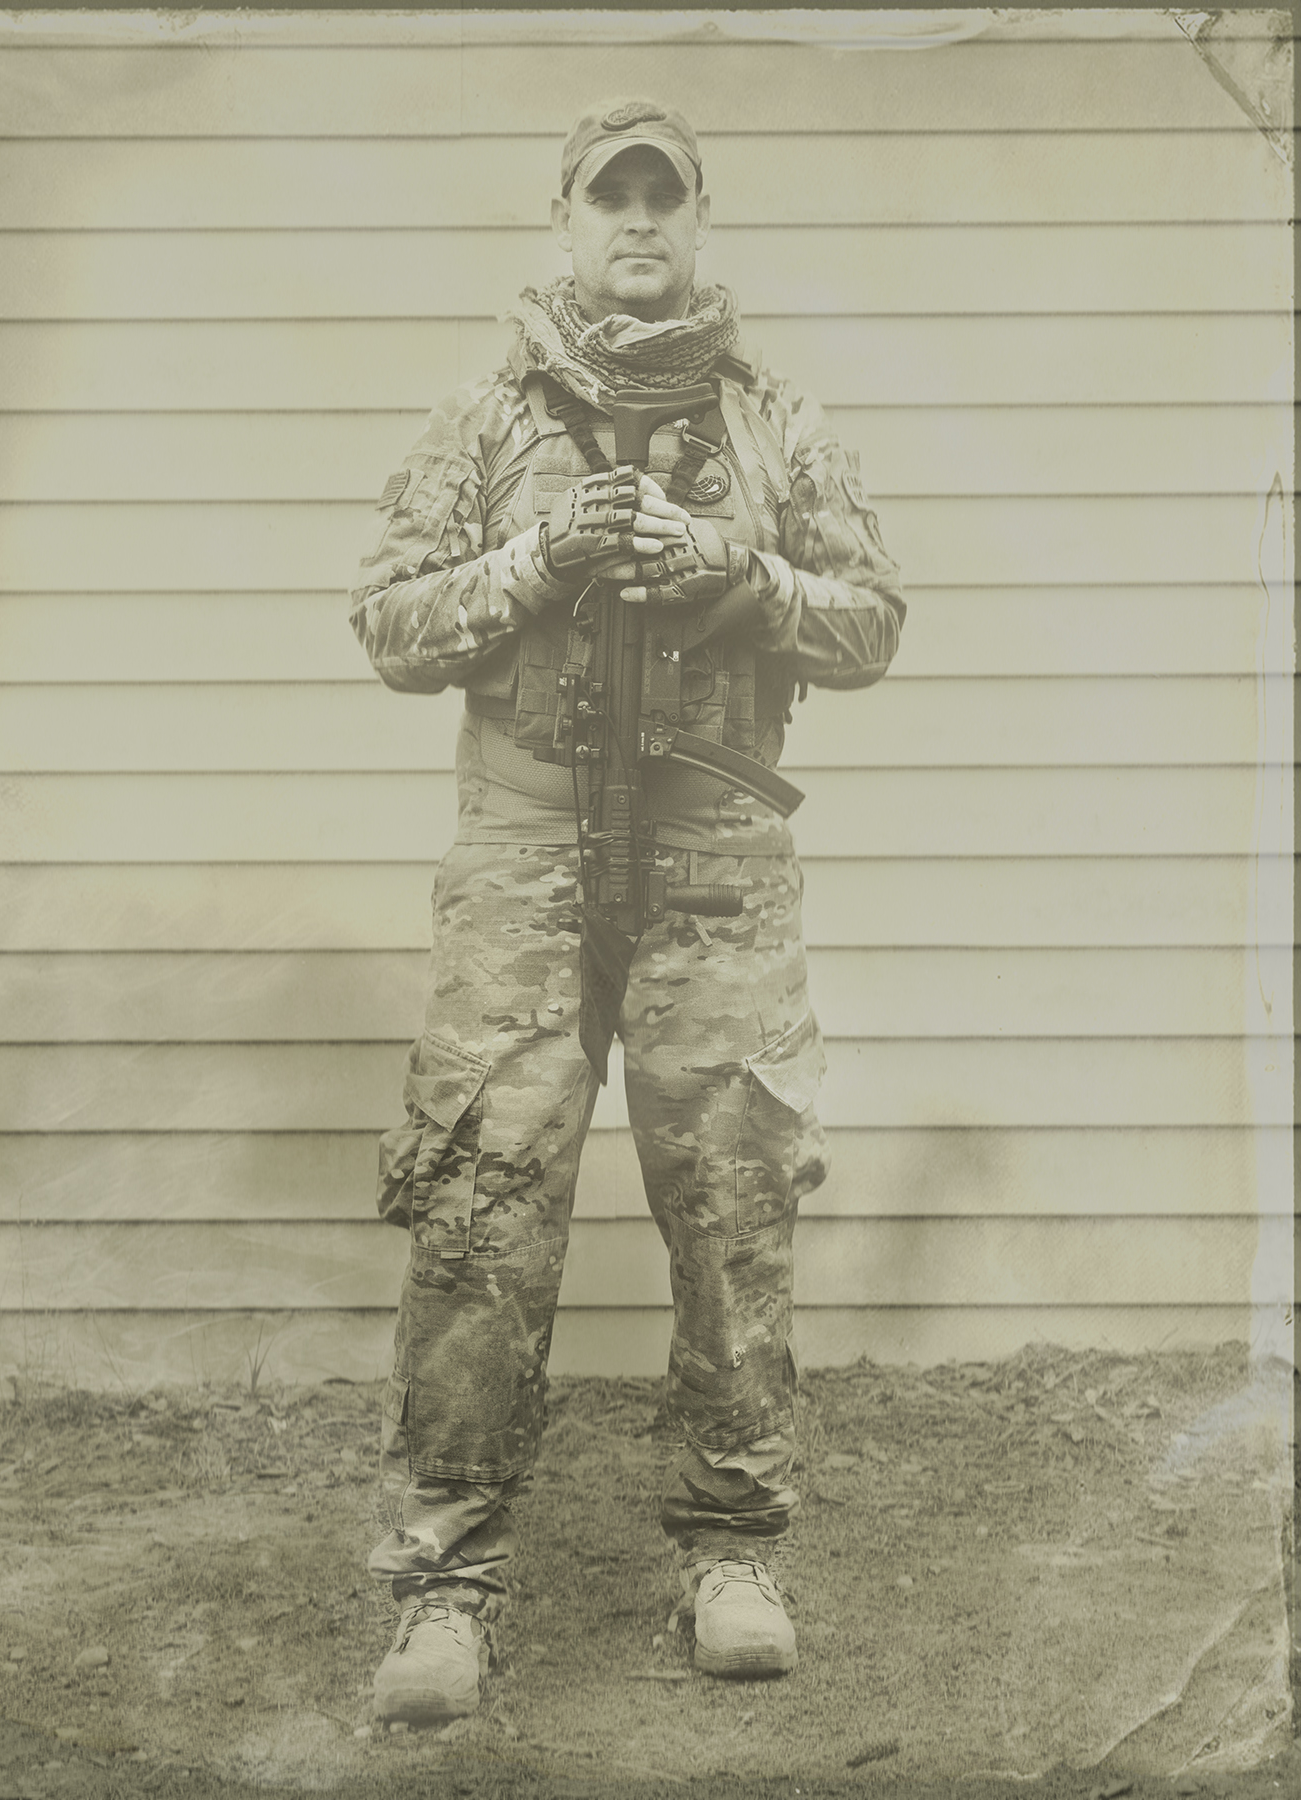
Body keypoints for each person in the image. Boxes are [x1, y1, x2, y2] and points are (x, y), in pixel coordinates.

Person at [348, 97, 905, 1725]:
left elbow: (869, 623)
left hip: (714, 864)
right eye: (613, 201)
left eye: (666, 200)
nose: (639, 226)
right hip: (522, 865)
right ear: (569, 221)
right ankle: (446, 1582)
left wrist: (735, 572)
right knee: (479, 1211)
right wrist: (532, 563)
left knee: (734, 1207)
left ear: (700, 220)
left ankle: (733, 1550)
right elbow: (387, 620)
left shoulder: (774, 423)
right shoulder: (484, 417)